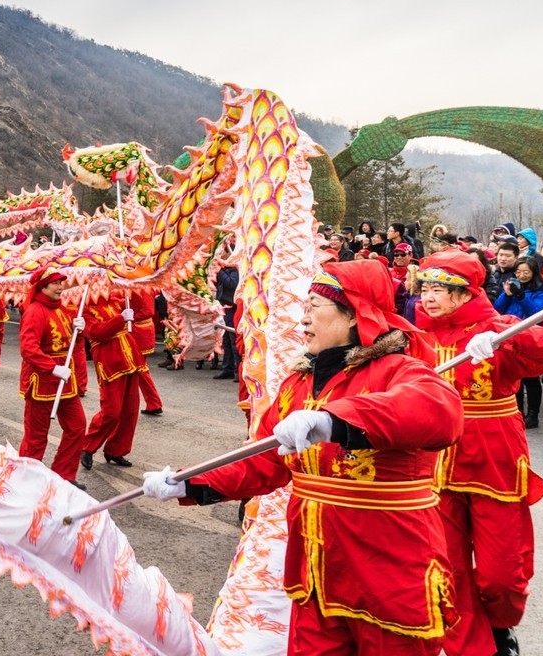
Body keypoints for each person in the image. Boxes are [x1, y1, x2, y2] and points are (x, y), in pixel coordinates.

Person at [143, 259, 464, 655]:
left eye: (314, 306)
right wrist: (189, 481)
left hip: (391, 569)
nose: (303, 318)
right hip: (316, 571)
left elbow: (439, 411)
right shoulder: (300, 383)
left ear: (352, 314)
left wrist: (336, 421)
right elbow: (261, 460)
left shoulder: (400, 370)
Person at [415, 250, 543, 656]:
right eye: (425, 288)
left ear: (464, 294)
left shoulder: (498, 329)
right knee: (447, 569)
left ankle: (501, 623)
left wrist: (513, 337)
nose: (428, 297)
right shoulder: (416, 337)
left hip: (493, 461)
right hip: (435, 463)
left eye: (439, 289)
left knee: (501, 574)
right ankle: (474, 647)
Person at [17, 266, 87, 489]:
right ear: (43, 286)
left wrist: (79, 331)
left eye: (61, 282)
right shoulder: (35, 311)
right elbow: (28, 348)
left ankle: (63, 476)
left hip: (65, 382)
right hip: (43, 382)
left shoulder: (61, 310)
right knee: (36, 437)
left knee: (77, 427)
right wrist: (52, 367)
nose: (60, 287)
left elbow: (69, 346)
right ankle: (26, 480)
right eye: (55, 283)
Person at [79, 291, 145, 472]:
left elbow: (139, 307)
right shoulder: (84, 310)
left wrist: (133, 287)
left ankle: (115, 450)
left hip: (130, 358)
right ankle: (88, 446)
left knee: (130, 411)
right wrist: (120, 319)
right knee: (111, 411)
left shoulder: (116, 301)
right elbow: (97, 333)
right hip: (110, 362)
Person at [494, 257, 543, 428]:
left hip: (529, 335)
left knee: (531, 378)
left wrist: (521, 296)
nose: (521, 275)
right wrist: (507, 294)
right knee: (514, 376)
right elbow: (497, 309)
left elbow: (538, 314)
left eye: (526, 272)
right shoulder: (511, 285)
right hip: (509, 334)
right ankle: (517, 410)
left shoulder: (542, 291)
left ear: (534, 273)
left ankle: (533, 415)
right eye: (518, 272)